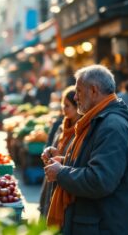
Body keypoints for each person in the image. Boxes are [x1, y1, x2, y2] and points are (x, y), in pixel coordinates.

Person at [43, 65, 128, 234]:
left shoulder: (112, 127)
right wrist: (65, 161)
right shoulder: (97, 120)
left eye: (78, 91)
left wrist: (61, 173)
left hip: (104, 227)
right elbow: (93, 163)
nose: (75, 97)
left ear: (94, 90)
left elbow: (100, 180)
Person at [39, 86, 81, 217]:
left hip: (66, 180)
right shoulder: (61, 126)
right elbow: (53, 145)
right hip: (52, 178)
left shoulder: (82, 131)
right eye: (63, 105)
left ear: (77, 107)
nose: (64, 109)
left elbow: (77, 159)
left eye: (67, 106)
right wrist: (49, 151)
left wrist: (61, 158)